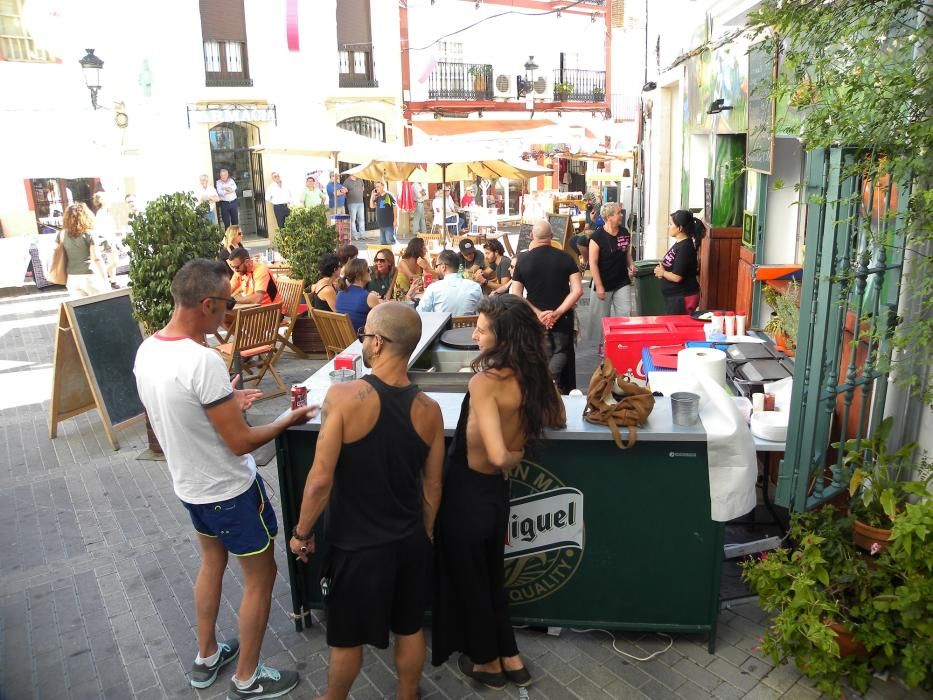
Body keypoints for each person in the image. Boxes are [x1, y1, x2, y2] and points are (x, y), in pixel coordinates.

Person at [134, 259, 318, 700]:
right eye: (227, 303)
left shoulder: (149, 350)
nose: (230, 313)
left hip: (190, 488)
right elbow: (241, 444)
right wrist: (285, 420)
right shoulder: (202, 361)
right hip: (229, 491)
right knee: (261, 577)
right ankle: (248, 677)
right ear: (207, 304)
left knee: (211, 563)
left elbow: (177, 411)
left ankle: (207, 655)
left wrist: (225, 399)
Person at [288, 303, 444, 700]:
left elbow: (320, 480)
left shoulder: (343, 398)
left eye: (364, 335)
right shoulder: (429, 410)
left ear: (377, 341)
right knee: (409, 628)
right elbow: (432, 487)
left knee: (347, 640)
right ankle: (407, 695)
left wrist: (302, 532)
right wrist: (423, 534)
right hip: (408, 541)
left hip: (356, 548)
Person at [432, 294, 566, 689]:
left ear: (504, 337)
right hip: (495, 497)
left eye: (482, 329)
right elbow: (556, 415)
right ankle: (512, 656)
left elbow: (495, 455)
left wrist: (516, 455)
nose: (473, 333)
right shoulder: (533, 374)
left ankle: (489, 664)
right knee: (491, 577)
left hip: (467, 494)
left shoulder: (485, 382)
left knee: (471, 581)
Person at [510, 220, 583, 394]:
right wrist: (556, 313)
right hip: (563, 318)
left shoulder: (523, 260)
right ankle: (562, 395)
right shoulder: (566, 258)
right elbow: (578, 290)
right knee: (563, 356)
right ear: (551, 236)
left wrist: (538, 313)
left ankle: (539, 392)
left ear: (532, 236)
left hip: (534, 321)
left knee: (536, 357)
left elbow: (516, 295)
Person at [588, 201, 635, 342]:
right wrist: (599, 286)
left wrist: (631, 264)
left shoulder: (624, 232)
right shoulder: (597, 237)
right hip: (603, 281)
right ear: (609, 217)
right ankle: (603, 343)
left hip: (622, 280)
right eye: (618, 213)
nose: (621, 215)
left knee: (625, 312)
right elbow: (593, 263)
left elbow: (626, 252)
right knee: (602, 317)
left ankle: (622, 341)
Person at [656, 209, 705, 314]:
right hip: (675, 298)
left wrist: (663, 272)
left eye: (671, 224)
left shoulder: (685, 248)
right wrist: (662, 272)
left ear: (680, 228)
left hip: (682, 298)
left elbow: (677, 277)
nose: (668, 227)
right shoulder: (680, 244)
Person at [59, 202, 109, 298]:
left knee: (81, 311)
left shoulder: (61, 234)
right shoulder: (89, 234)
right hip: (89, 276)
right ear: (86, 216)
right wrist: (106, 280)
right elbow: (96, 258)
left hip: (72, 278)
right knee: (101, 308)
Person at [418, 249, 482, 316]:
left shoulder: (433, 288)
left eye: (436, 266)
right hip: (468, 326)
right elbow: (482, 312)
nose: (436, 269)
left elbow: (421, 313)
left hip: (442, 326)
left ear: (443, 267)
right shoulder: (475, 287)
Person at [335, 258, 382, 330]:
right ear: (359, 276)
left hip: (346, 337)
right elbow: (382, 318)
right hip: (362, 338)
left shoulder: (340, 293)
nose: (371, 271)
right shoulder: (368, 297)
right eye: (368, 270)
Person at [91, 192, 121, 289]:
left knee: (113, 261)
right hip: (107, 240)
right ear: (101, 200)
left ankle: (113, 281)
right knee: (115, 262)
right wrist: (109, 240)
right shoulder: (101, 213)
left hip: (111, 239)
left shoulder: (106, 212)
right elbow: (101, 229)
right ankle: (100, 277)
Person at [344, 174, 365, 240]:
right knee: (353, 220)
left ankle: (362, 235)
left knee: (361, 219)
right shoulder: (347, 181)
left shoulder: (360, 179)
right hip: (352, 203)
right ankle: (355, 235)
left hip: (360, 202)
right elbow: (344, 192)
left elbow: (363, 188)